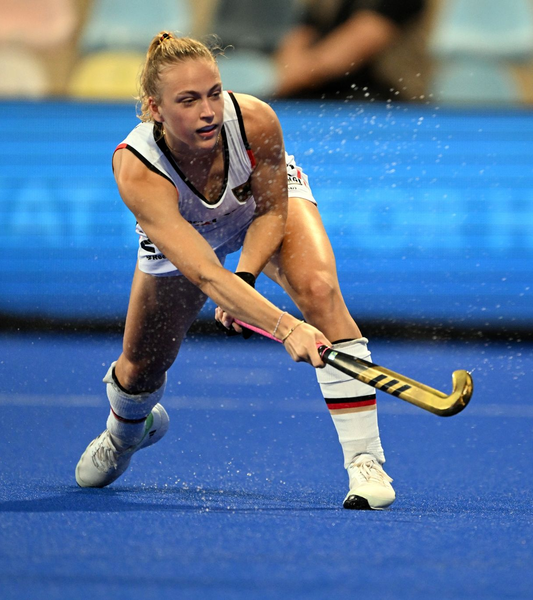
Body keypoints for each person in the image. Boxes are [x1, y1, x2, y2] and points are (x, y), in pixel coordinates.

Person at [74, 31, 395, 510]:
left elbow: (271, 212)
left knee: (319, 289)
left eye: (214, 93)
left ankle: (365, 461)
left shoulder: (255, 121)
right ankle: (125, 434)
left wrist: (244, 280)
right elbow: (205, 274)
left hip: (254, 210)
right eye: (188, 101)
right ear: (155, 108)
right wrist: (287, 328)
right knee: (141, 368)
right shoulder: (137, 168)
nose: (208, 112)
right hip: (188, 233)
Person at [272, 0, 426, 101]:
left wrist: (279, 81)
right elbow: (299, 36)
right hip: (317, 98)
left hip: (387, 105)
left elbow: (329, 62)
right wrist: (286, 72)